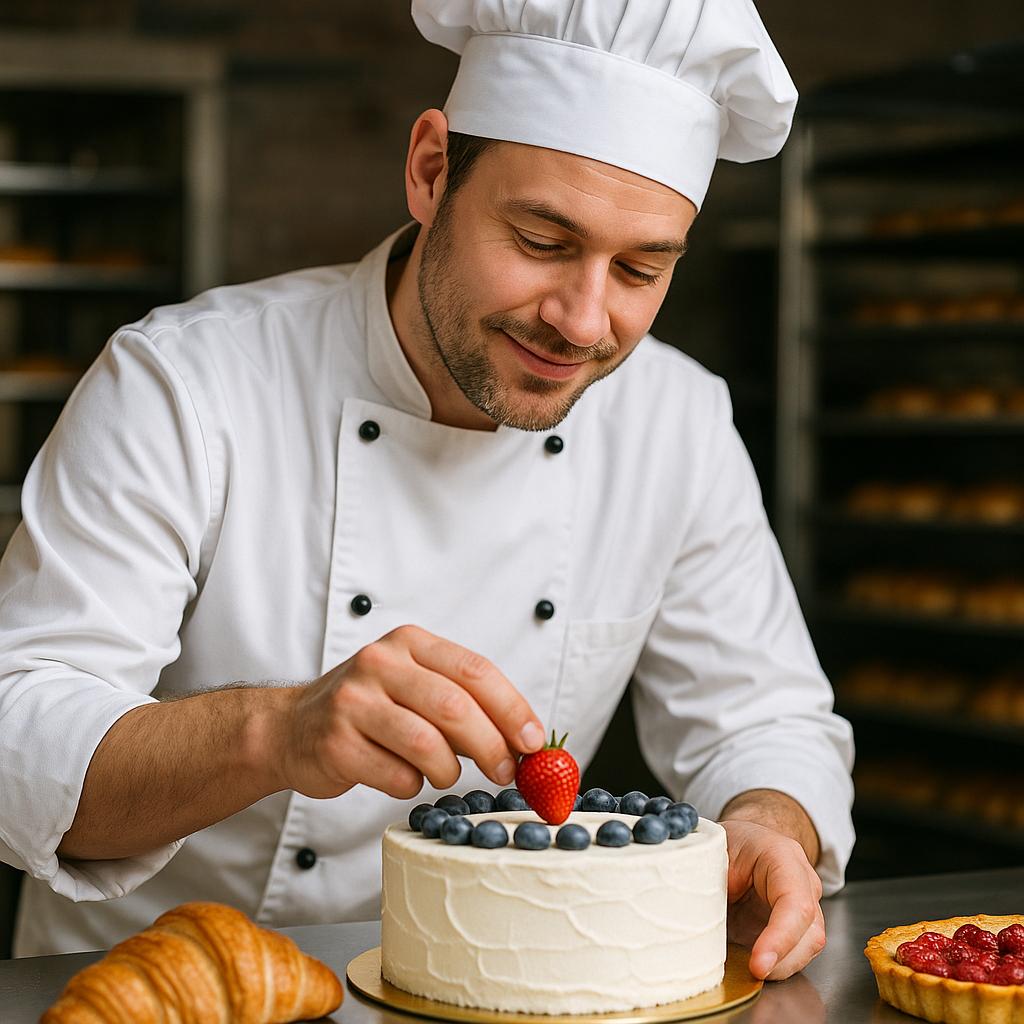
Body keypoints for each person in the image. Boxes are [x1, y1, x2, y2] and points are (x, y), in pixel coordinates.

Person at [0, 0, 853, 979]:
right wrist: (274, 732)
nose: (582, 320)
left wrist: (766, 820)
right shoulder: (185, 384)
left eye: (639, 268)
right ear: (430, 169)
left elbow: (764, 720)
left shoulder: (678, 423)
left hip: (496, 992)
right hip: (163, 989)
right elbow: (15, 734)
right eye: (540, 239)